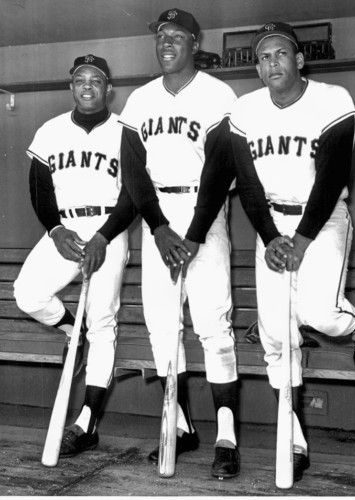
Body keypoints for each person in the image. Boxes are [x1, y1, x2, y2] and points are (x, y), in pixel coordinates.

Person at [226, 22, 355, 481]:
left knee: (321, 314)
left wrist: (300, 241)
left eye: (280, 53)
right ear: (258, 68)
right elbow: (248, 184)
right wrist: (270, 236)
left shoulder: (333, 100)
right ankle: (293, 438)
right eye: (263, 57)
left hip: (324, 218)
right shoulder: (246, 109)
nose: (271, 63)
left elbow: (331, 179)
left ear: (299, 60)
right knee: (276, 337)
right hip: (272, 223)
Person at [118, 8, 240, 479]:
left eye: (176, 35)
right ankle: (181, 426)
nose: (166, 42)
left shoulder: (218, 93)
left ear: (194, 42)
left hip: (203, 213)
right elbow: (133, 170)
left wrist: (193, 233)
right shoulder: (141, 99)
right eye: (160, 35)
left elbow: (222, 170)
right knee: (162, 324)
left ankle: (226, 437)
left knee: (212, 325)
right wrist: (158, 227)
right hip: (159, 218)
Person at [14, 54, 137, 457]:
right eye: (80, 79)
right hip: (65, 228)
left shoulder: (125, 131)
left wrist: (104, 236)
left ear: (108, 89)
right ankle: (72, 330)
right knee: (27, 293)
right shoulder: (50, 130)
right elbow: (39, 189)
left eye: (96, 80)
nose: (87, 86)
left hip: (108, 228)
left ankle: (87, 423)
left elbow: (133, 194)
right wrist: (55, 229)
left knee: (102, 322)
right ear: (71, 87)